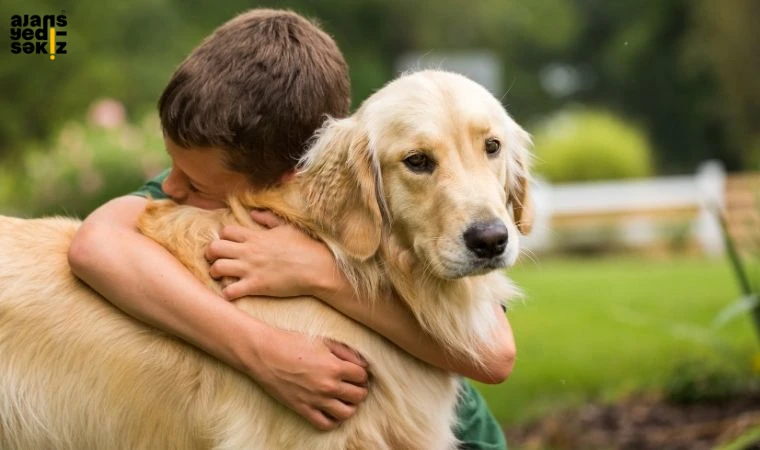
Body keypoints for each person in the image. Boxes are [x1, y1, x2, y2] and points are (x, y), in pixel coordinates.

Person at [68, 8, 512, 449]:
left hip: (465, 435)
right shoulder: (209, 182)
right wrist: (263, 350)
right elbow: (95, 245)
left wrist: (319, 274)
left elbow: (495, 355)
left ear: (285, 180)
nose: (170, 186)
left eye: (194, 181)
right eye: (173, 165)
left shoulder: (351, 187)